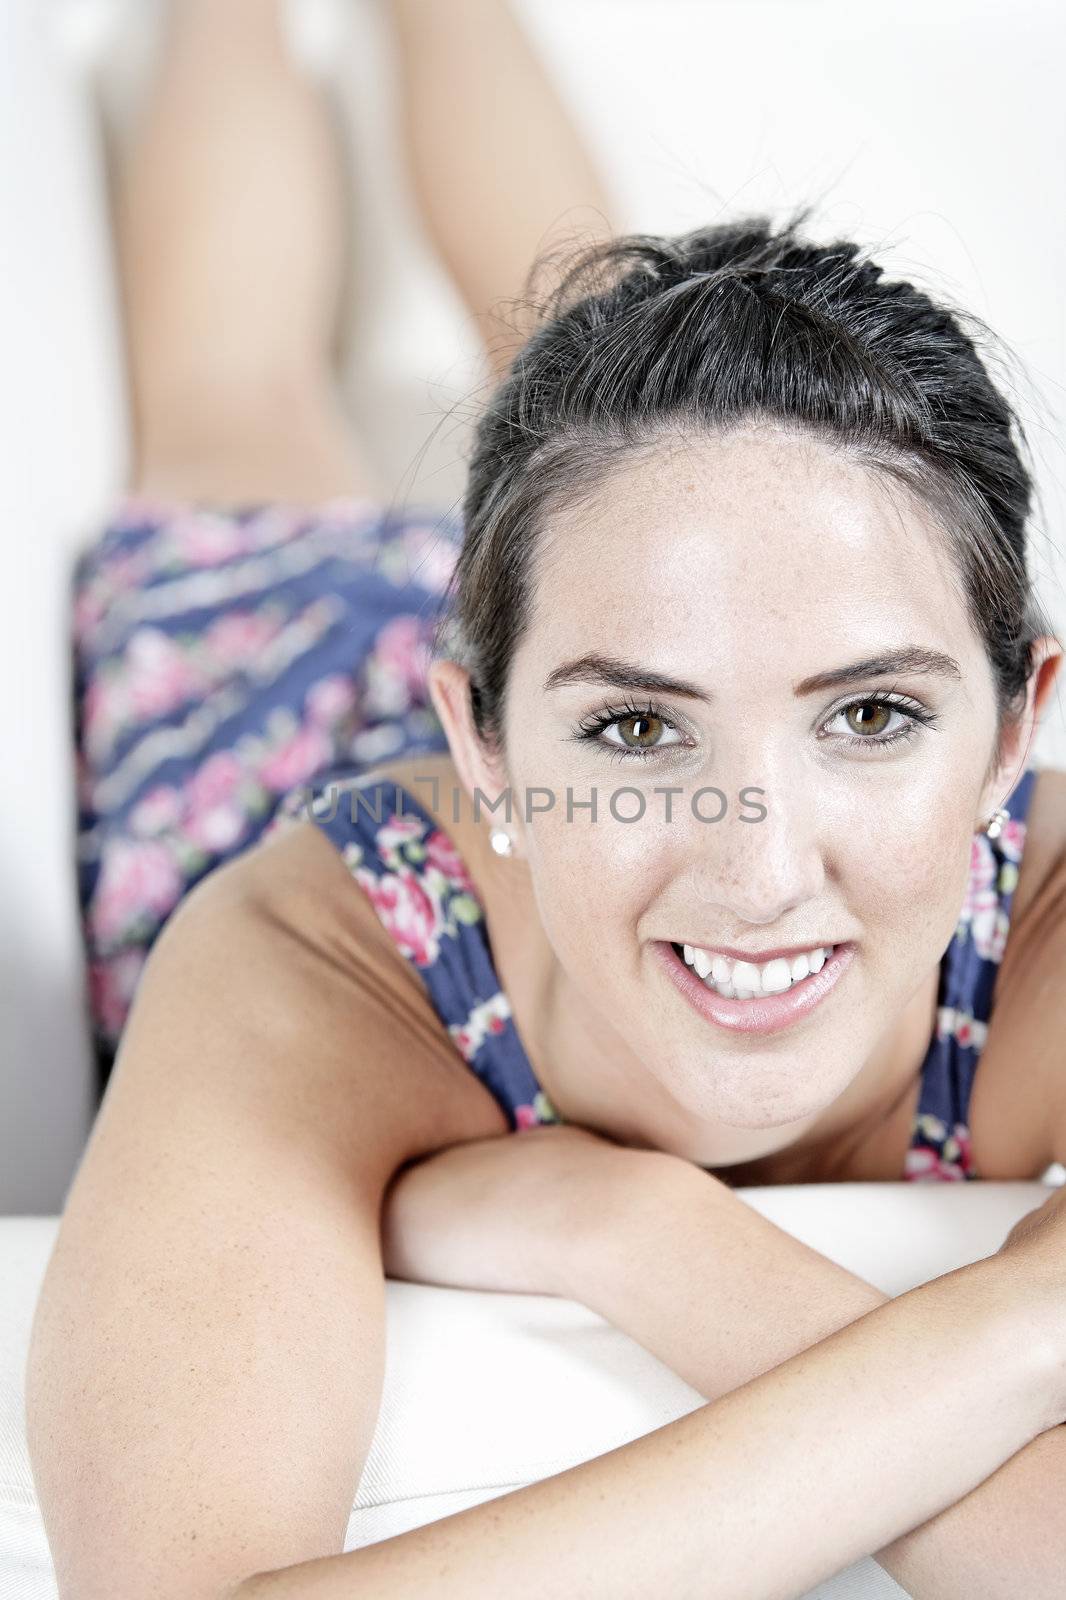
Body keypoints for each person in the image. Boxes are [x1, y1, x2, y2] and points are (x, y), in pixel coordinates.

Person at [26, 1, 1066, 1597]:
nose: (761, 873)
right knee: (235, 403)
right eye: (642, 734)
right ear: (482, 742)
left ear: (1015, 732)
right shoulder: (306, 969)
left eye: (869, 713)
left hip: (583, 646)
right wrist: (1019, 1320)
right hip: (270, 711)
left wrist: (630, 1235)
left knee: (635, 410)